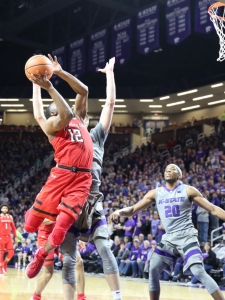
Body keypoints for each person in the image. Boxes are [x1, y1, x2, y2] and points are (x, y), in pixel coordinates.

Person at [109, 164, 225, 300]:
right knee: (152, 268)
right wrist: (118, 211)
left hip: (187, 236)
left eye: (172, 169)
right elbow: (133, 209)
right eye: (166, 170)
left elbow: (213, 209)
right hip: (169, 238)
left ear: (179, 175)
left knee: (198, 271)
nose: (168, 171)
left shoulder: (188, 190)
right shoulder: (156, 193)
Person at [24, 54, 93, 280]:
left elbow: (83, 91)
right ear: (52, 111)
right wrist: (43, 87)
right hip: (61, 174)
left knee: (62, 227)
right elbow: (54, 113)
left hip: (82, 179)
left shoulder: (80, 119)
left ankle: (41, 255)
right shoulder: (53, 124)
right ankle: (43, 230)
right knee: (29, 226)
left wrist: (60, 72)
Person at [59, 57, 122, 300]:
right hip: (71, 204)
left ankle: (117, 297)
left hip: (94, 203)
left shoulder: (96, 136)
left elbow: (110, 103)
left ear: (87, 121)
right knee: (69, 259)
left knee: (105, 248)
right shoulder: (66, 139)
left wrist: (109, 74)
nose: (79, 119)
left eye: (81, 117)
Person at [0, 203, 17, 276]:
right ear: (1, 209)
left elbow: (13, 227)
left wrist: (15, 236)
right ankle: (0, 269)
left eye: (6, 208)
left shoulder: (10, 217)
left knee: (11, 253)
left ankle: (5, 264)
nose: (5, 209)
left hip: (8, 237)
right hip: (1, 237)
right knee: (1, 253)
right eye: (3, 208)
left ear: (7, 210)